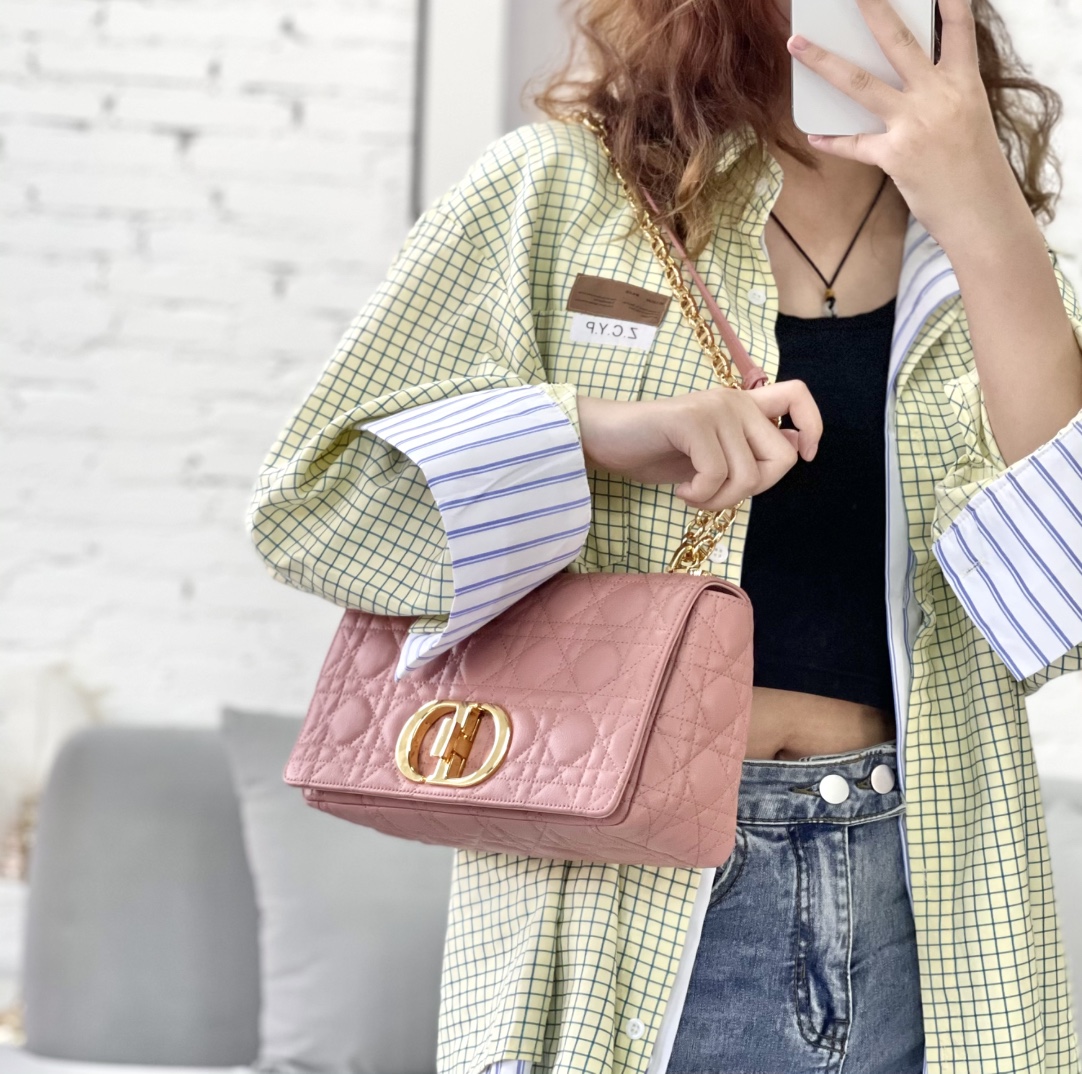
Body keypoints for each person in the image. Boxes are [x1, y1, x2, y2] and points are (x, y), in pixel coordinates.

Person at [245, 0, 1082, 1070]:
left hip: (922, 889)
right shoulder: (557, 191)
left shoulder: (986, 262)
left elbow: (1061, 601)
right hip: (625, 877)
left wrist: (983, 210)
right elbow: (313, 508)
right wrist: (590, 435)